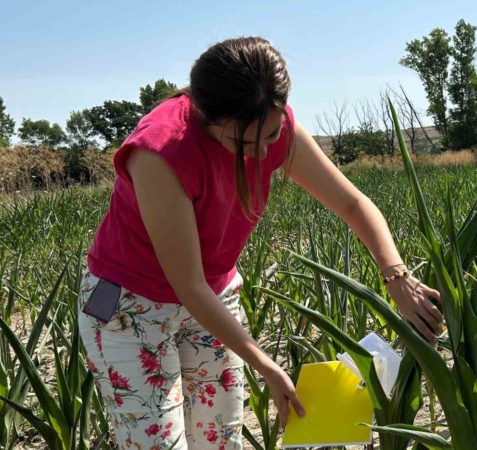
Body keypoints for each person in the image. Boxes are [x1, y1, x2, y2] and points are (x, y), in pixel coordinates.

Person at [77, 36, 443, 450]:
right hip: (130, 305)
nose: (263, 152)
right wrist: (267, 367)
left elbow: (353, 203)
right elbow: (188, 285)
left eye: (271, 136)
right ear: (206, 115)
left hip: (212, 298)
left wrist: (397, 276)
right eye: (245, 143)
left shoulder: (272, 124)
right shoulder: (160, 152)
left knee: (220, 439)